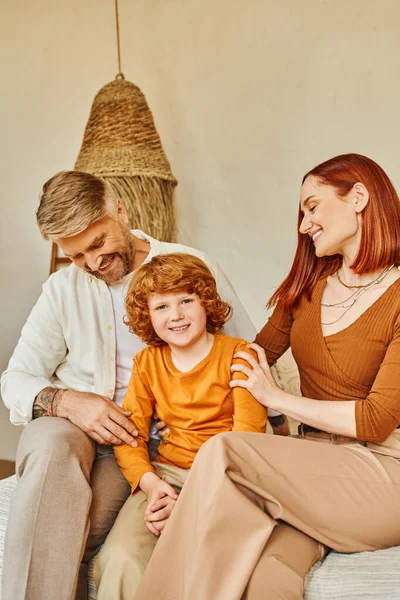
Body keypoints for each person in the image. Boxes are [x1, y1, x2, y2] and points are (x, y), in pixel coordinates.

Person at [0, 170, 285, 600]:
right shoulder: (62, 290)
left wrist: (279, 429)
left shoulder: (188, 266)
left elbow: (245, 356)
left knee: (77, 531)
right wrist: (68, 402)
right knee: (48, 440)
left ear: (119, 209)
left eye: (97, 244)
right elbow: (16, 379)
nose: (92, 264)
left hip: (149, 444)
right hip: (79, 429)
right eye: (76, 256)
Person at [133, 153, 400, 600]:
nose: (303, 224)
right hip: (307, 467)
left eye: (312, 207)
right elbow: (243, 357)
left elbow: (376, 420)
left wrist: (276, 399)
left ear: (358, 197)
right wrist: (177, 403)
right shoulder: (306, 290)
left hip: (381, 475)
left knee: (226, 451)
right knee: (266, 574)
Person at [93, 253, 267, 597]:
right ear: (148, 316)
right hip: (167, 476)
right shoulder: (146, 363)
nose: (176, 315)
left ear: (205, 302)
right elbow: (130, 437)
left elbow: (246, 440)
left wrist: (189, 504)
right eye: (161, 307)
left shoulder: (240, 354)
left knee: (203, 559)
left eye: (186, 300)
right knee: (119, 556)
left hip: (228, 478)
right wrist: (152, 484)